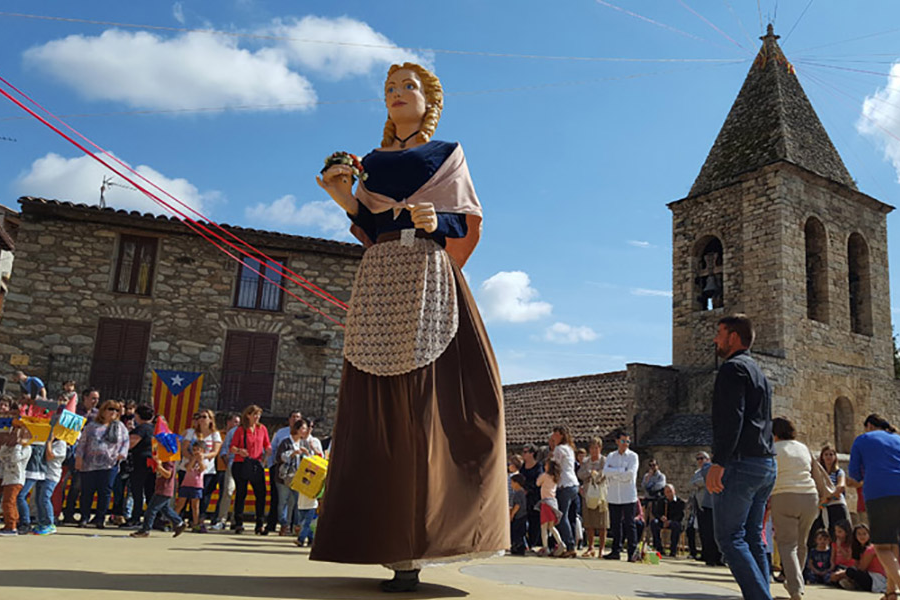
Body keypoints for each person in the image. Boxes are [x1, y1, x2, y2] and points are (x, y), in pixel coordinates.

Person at [309, 62, 507, 593]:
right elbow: (372, 228)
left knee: (426, 405)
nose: (397, 95)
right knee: (382, 408)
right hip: (380, 280)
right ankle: (392, 547)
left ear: (429, 100)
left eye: (408, 88)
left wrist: (436, 222)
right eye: (390, 89)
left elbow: (466, 221)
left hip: (427, 276)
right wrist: (345, 199)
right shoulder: (370, 162)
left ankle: (427, 537)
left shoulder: (447, 155)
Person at [706, 314, 776, 600]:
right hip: (765, 463)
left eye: (719, 333)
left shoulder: (732, 369)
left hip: (741, 463)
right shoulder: (758, 372)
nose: (715, 339)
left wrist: (718, 461)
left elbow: (731, 419)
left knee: (730, 538)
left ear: (733, 337)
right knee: (751, 538)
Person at [847, 413, 900, 597]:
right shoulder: (898, 439)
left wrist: (849, 483)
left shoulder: (862, 440)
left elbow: (855, 476)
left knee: (881, 547)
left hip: (880, 494)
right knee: (893, 545)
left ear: (868, 425)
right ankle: (890, 592)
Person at [769, 416, 820, 600]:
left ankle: (795, 588)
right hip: (810, 496)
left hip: (784, 495)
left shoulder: (773, 449)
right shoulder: (803, 448)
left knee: (786, 544)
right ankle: (794, 581)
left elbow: (769, 474)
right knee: (801, 543)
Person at [75, 399, 129, 529]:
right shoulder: (91, 426)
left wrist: (121, 454)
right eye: (110, 409)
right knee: (87, 492)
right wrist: (79, 458)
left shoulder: (120, 427)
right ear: (103, 411)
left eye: (116, 410)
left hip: (109, 464)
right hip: (89, 464)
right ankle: (84, 517)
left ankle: (100, 518)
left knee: (105, 492)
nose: (114, 412)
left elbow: (125, 443)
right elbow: (82, 443)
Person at [275, 418, 321, 536]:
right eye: (303, 428)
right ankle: (284, 523)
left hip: (299, 477)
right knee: (283, 501)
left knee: (295, 502)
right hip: (284, 476)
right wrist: (292, 453)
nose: (305, 431)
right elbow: (279, 457)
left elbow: (311, 459)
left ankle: (294, 525)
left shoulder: (304, 442)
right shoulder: (286, 442)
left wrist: (307, 453)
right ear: (298, 429)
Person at [230, 404, 270, 535]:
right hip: (241, 463)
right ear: (248, 415)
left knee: (261, 493)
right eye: (255, 414)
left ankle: (259, 523)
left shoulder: (262, 429)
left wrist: (268, 451)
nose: (257, 417)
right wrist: (240, 451)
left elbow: (267, 444)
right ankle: (238, 523)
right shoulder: (240, 430)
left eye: (258, 415)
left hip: (256, 464)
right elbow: (232, 447)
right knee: (241, 493)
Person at [602, 430, 639, 562]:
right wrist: (620, 471)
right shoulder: (611, 456)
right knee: (615, 524)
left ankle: (632, 552)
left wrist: (615, 473)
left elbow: (630, 475)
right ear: (617, 441)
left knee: (629, 524)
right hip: (613, 495)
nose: (625, 444)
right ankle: (615, 550)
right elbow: (605, 472)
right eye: (623, 441)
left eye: (628, 441)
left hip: (628, 495)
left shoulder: (633, 457)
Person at [129, 456, 187, 538]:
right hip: (161, 488)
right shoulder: (164, 459)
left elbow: (168, 474)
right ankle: (179, 523)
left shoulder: (168, 461)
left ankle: (145, 530)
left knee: (151, 510)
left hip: (164, 489)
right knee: (165, 509)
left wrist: (159, 466)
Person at [181, 409, 221, 524]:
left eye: (204, 417)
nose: (201, 419)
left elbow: (215, 452)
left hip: (206, 470)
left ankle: (199, 519)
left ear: (210, 419)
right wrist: (192, 459)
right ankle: (181, 519)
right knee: (185, 494)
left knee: (203, 495)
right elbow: (184, 449)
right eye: (199, 417)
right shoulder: (191, 432)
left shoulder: (215, 434)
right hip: (188, 468)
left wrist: (202, 456)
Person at [266, 410, 301, 533]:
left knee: (294, 501)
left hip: (297, 474)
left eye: (298, 417)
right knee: (279, 500)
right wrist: (271, 465)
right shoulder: (281, 433)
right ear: (289, 419)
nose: (295, 419)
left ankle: (291, 526)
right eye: (293, 417)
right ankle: (277, 523)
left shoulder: (304, 439)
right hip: (281, 471)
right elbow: (273, 449)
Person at [548, 425, 579, 558]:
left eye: (555, 434)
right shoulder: (570, 449)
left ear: (560, 435)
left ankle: (570, 545)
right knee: (568, 516)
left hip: (564, 485)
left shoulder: (559, 449)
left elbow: (554, 468)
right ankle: (568, 543)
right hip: (573, 484)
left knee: (561, 517)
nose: (552, 436)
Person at [124, 404, 155, 528]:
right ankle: (150, 519)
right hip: (152, 463)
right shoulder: (154, 429)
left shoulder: (141, 429)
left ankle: (135, 517)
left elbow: (130, 445)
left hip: (140, 463)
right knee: (150, 492)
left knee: (137, 492)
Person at [812, 445, 850, 541]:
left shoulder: (839, 472)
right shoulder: (819, 475)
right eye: (826, 454)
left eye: (831, 454)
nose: (828, 457)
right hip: (823, 507)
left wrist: (826, 500)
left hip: (836, 506)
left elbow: (840, 488)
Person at [577, 437, 608, 558]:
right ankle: (591, 547)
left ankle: (602, 548)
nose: (594, 450)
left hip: (601, 494)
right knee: (589, 521)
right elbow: (580, 474)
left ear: (600, 448)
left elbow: (605, 474)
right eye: (592, 448)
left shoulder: (604, 461)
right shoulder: (586, 461)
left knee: (602, 522)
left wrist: (597, 475)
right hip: (588, 493)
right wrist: (589, 473)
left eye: (596, 448)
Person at [0, 422, 32, 535]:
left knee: (9, 502)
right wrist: (6, 444)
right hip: (7, 478)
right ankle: (11, 523)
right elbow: (2, 455)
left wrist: (19, 444)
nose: (13, 435)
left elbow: (15, 458)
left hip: (16, 478)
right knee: (8, 502)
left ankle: (11, 526)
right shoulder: (10, 447)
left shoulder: (26, 448)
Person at [841, 523, 890, 594]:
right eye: (859, 534)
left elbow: (862, 568)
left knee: (850, 571)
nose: (862, 536)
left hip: (876, 579)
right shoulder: (857, 548)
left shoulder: (871, 548)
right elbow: (856, 564)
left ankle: (853, 583)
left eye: (864, 534)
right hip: (866, 574)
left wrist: (842, 574)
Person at [212, 412, 240, 530]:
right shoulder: (231, 433)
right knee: (227, 491)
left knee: (240, 494)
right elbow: (224, 449)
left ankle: (236, 520)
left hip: (245, 466)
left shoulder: (255, 431)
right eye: (235, 422)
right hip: (228, 466)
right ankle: (221, 519)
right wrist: (226, 458)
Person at [174, 440, 206, 532]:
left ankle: (195, 524)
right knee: (180, 504)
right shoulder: (189, 459)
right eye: (194, 449)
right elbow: (188, 468)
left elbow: (202, 469)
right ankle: (174, 521)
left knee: (195, 506)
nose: (195, 451)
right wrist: (193, 459)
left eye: (198, 450)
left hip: (197, 485)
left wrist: (199, 460)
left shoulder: (205, 460)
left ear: (203, 451)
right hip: (186, 484)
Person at [536, 459, 564, 557]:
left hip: (545, 502)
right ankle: (560, 543)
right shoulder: (555, 478)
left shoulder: (545, 476)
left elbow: (538, 483)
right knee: (551, 526)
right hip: (553, 502)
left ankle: (545, 547)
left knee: (544, 526)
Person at [650, 484, 685, 557]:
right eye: (667, 492)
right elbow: (656, 512)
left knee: (676, 526)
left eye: (670, 491)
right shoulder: (661, 501)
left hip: (673, 522)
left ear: (674, 491)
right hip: (663, 521)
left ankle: (673, 550)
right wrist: (661, 517)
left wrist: (670, 521)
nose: (669, 494)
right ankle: (659, 548)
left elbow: (680, 516)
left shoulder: (680, 502)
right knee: (654, 523)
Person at [520, 444, 544, 550]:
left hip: (535, 497)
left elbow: (538, 481)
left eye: (525, 452)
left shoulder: (538, 466)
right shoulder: (522, 468)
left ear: (532, 453)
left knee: (535, 521)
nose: (523, 454)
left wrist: (528, 489)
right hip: (523, 498)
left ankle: (534, 543)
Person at [827, 519, 855, 587]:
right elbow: (832, 557)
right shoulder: (834, 543)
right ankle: (841, 582)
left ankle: (848, 581)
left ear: (847, 532)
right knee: (828, 576)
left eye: (840, 532)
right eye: (836, 531)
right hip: (838, 566)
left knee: (843, 574)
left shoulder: (851, 544)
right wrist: (832, 565)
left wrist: (840, 547)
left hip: (848, 567)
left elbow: (848, 557)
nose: (837, 534)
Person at [509, 474, 528, 555]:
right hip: (523, 515)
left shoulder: (518, 493)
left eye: (512, 483)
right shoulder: (522, 492)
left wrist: (512, 514)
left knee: (517, 533)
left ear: (517, 483)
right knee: (521, 533)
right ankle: (520, 547)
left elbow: (517, 505)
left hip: (519, 516)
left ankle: (517, 547)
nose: (511, 485)